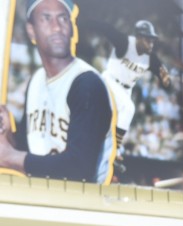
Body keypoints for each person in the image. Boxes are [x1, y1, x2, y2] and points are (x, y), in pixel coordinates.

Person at [0, 0, 115, 184]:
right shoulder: (36, 81)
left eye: (63, 19)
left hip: (85, 204)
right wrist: (9, 138)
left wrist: (9, 157)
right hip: (44, 197)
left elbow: (79, 169)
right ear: (31, 31)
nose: (57, 27)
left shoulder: (87, 84)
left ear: (71, 27)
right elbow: (31, 151)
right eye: (46, 19)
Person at [79, 18, 172, 162]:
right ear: (139, 37)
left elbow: (163, 76)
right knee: (128, 108)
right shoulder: (125, 42)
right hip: (109, 82)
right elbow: (106, 27)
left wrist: (166, 80)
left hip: (125, 91)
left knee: (112, 120)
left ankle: (104, 146)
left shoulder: (150, 58)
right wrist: (86, 23)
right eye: (148, 39)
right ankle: (115, 149)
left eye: (153, 40)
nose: (151, 43)